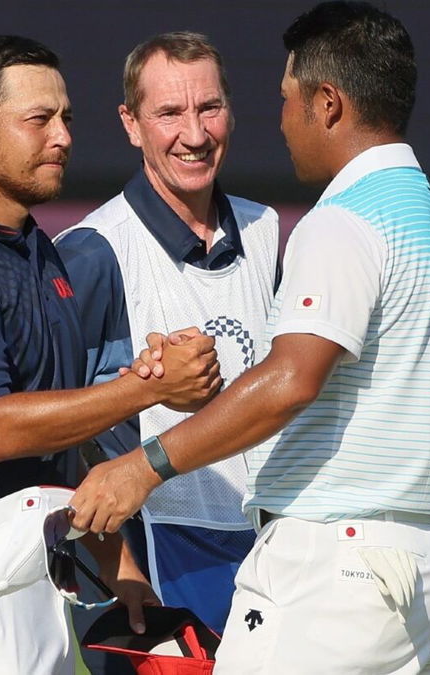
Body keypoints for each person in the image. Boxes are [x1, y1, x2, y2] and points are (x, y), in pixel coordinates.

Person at [70, 3, 430, 672]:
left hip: (343, 567)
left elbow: (292, 378)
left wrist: (144, 464)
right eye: (169, 113)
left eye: (286, 100)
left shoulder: (339, 220)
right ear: (133, 123)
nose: (281, 119)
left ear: (327, 105)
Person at [0, 35, 224, 675]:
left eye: (66, 118)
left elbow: (69, 440)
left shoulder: (40, 251)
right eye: (39, 120)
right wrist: (147, 389)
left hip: (32, 586)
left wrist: (122, 570)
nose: (62, 136)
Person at [54, 31, 280, 637]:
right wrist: (117, 565)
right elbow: (48, 431)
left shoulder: (268, 232)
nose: (196, 134)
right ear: (131, 124)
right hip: (149, 567)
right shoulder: (91, 254)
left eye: (209, 107)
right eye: (169, 113)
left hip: (274, 560)